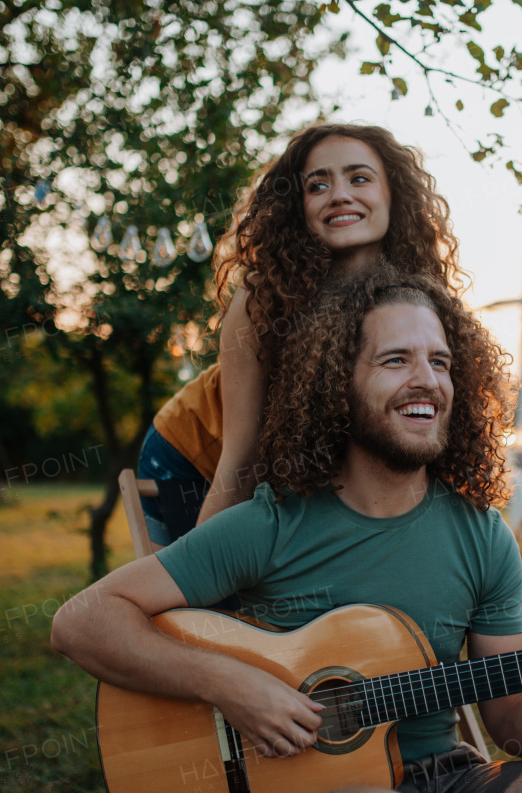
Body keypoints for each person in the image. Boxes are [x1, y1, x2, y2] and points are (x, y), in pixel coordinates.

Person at [53, 265, 522, 793]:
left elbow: (514, 716)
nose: (427, 379)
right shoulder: (272, 523)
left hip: (449, 782)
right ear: (339, 385)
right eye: (396, 360)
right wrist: (233, 685)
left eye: (440, 361)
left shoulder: (482, 535)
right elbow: (82, 621)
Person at [138, 122, 466, 545]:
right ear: (299, 205)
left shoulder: (418, 294)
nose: (340, 195)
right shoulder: (266, 294)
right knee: (224, 603)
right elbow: (243, 458)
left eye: (359, 178)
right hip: (197, 457)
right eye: (318, 185)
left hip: (290, 471)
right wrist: (197, 584)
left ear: (393, 194)